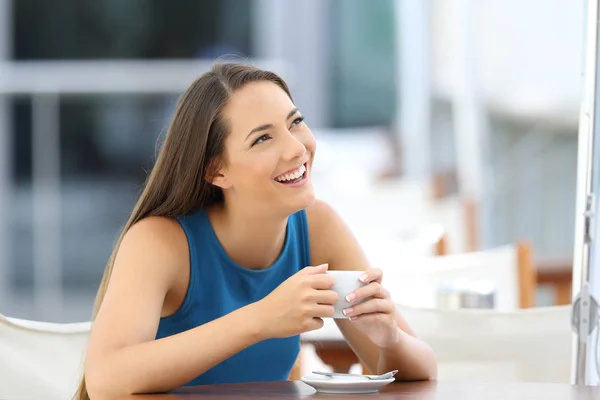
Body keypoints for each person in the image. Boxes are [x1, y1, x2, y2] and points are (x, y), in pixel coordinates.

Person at [78, 63, 437, 399]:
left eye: (295, 122)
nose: (297, 148)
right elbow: (105, 378)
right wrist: (261, 318)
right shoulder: (159, 241)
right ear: (217, 171)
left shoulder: (318, 226)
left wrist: (389, 339)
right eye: (263, 139)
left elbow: (421, 371)